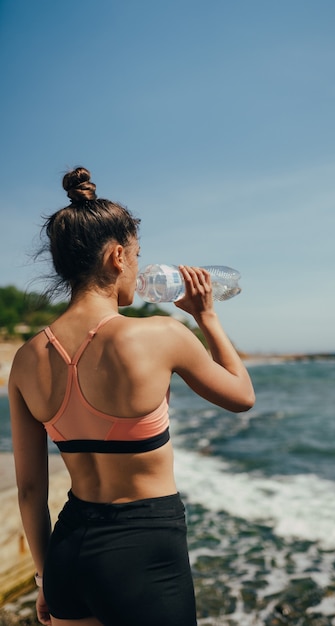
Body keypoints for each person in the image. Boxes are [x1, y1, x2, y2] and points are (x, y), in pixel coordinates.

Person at [8, 166, 255, 626]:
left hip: (68, 553)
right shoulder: (160, 335)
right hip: (144, 554)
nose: (140, 269)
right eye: (138, 256)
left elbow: (29, 490)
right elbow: (242, 396)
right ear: (118, 256)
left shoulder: (25, 358)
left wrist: (46, 579)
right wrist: (207, 317)